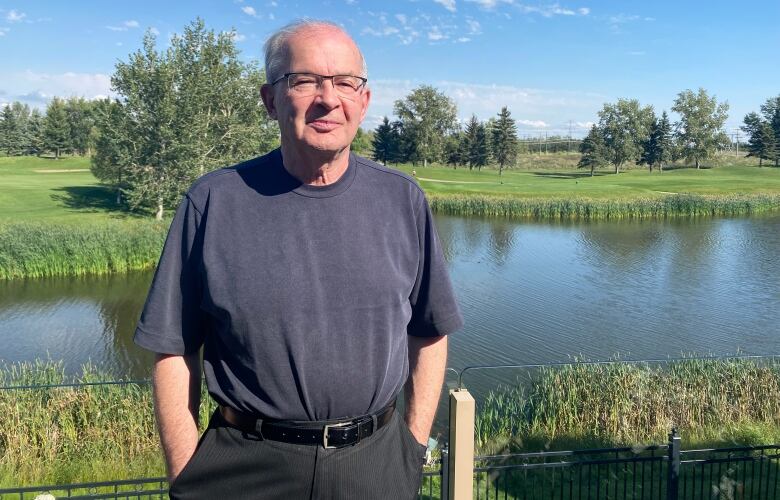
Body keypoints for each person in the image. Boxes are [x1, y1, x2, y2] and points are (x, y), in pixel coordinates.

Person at [134, 19, 463, 499]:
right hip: (244, 467)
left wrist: (410, 451)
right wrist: (187, 472)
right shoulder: (213, 201)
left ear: (363, 102)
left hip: (375, 467)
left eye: (346, 83)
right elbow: (172, 347)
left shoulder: (403, 201)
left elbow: (430, 332)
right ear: (270, 100)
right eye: (305, 80)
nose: (329, 98)